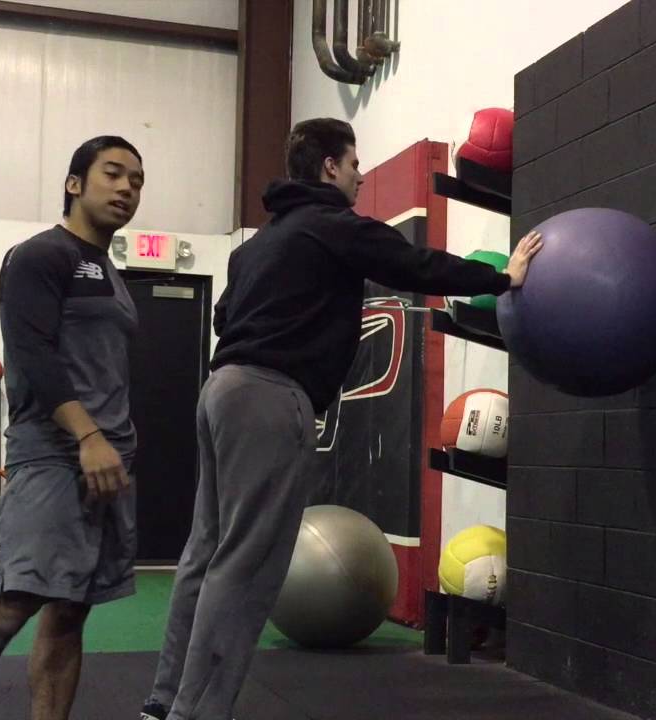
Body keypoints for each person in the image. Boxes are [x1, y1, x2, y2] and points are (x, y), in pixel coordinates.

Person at [140, 118, 542, 720]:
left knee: (206, 552)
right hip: (270, 398)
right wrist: (501, 279)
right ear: (330, 166)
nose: (359, 176)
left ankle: (164, 700)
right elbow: (416, 266)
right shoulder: (333, 226)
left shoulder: (256, 246)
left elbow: (224, 316)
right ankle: (193, 714)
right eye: (354, 164)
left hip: (221, 391)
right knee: (246, 565)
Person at [0, 135, 146, 720]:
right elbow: (31, 354)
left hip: (107, 461)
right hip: (57, 454)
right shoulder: (40, 255)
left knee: (70, 611)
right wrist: (87, 436)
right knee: (9, 607)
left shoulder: (108, 269)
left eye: (136, 180)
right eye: (112, 173)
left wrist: (110, 443)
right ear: (74, 183)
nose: (127, 187)